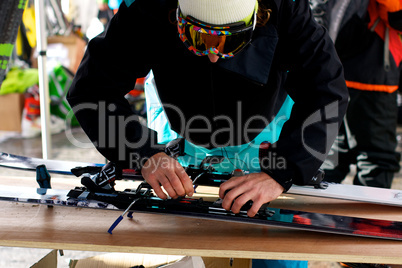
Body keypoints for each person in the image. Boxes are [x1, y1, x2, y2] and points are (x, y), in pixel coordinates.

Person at [68, 0, 348, 266]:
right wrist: (141, 152)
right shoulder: (147, 8)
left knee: (273, 243)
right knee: (182, 238)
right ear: (176, 17)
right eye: (198, 39)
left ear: (256, 18)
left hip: (264, 130)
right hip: (178, 127)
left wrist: (284, 169)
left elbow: (325, 89)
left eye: (231, 41)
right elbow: (92, 88)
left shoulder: (285, 9)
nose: (214, 55)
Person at [321, 0, 402, 189]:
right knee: (376, 159)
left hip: (334, 72)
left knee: (332, 153)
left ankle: (313, 213)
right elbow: (396, 17)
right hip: (373, 79)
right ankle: (367, 219)